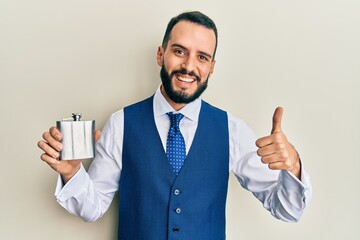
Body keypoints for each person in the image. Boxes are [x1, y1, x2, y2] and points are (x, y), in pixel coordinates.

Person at [38, 11, 312, 240]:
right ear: (161, 54)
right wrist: (72, 173)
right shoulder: (121, 123)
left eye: (202, 57)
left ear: (211, 67)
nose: (189, 66)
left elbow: (288, 211)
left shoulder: (232, 130)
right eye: (180, 51)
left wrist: (293, 167)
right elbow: (92, 208)